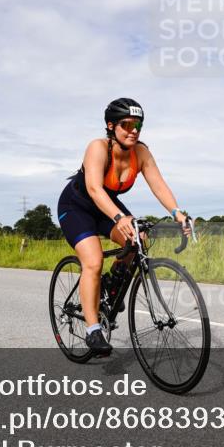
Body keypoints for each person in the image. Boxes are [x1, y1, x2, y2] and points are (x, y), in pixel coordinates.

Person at [57, 98, 190, 356]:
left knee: (139, 238)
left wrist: (177, 213)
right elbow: (95, 189)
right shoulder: (98, 148)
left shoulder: (141, 153)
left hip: (107, 207)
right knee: (93, 261)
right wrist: (120, 217)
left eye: (137, 125)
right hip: (77, 207)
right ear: (111, 126)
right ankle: (93, 329)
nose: (133, 130)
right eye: (126, 125)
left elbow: (159, 185)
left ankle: (111, 287)